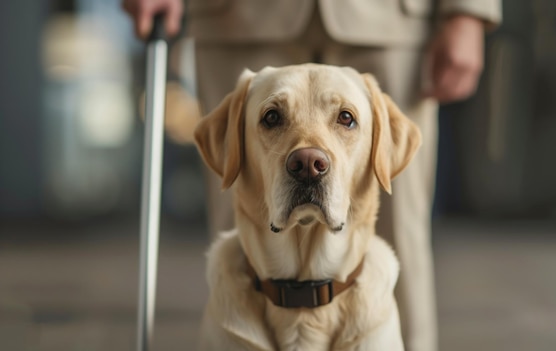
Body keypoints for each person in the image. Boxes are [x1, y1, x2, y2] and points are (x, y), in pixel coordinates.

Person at [123, 1, 501, 350]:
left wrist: (468, 11)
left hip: (390, 15)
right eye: (273, 118)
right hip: (239, 14)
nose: (308, 158)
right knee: (240, 228)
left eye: (346, 119)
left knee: (400, 231)